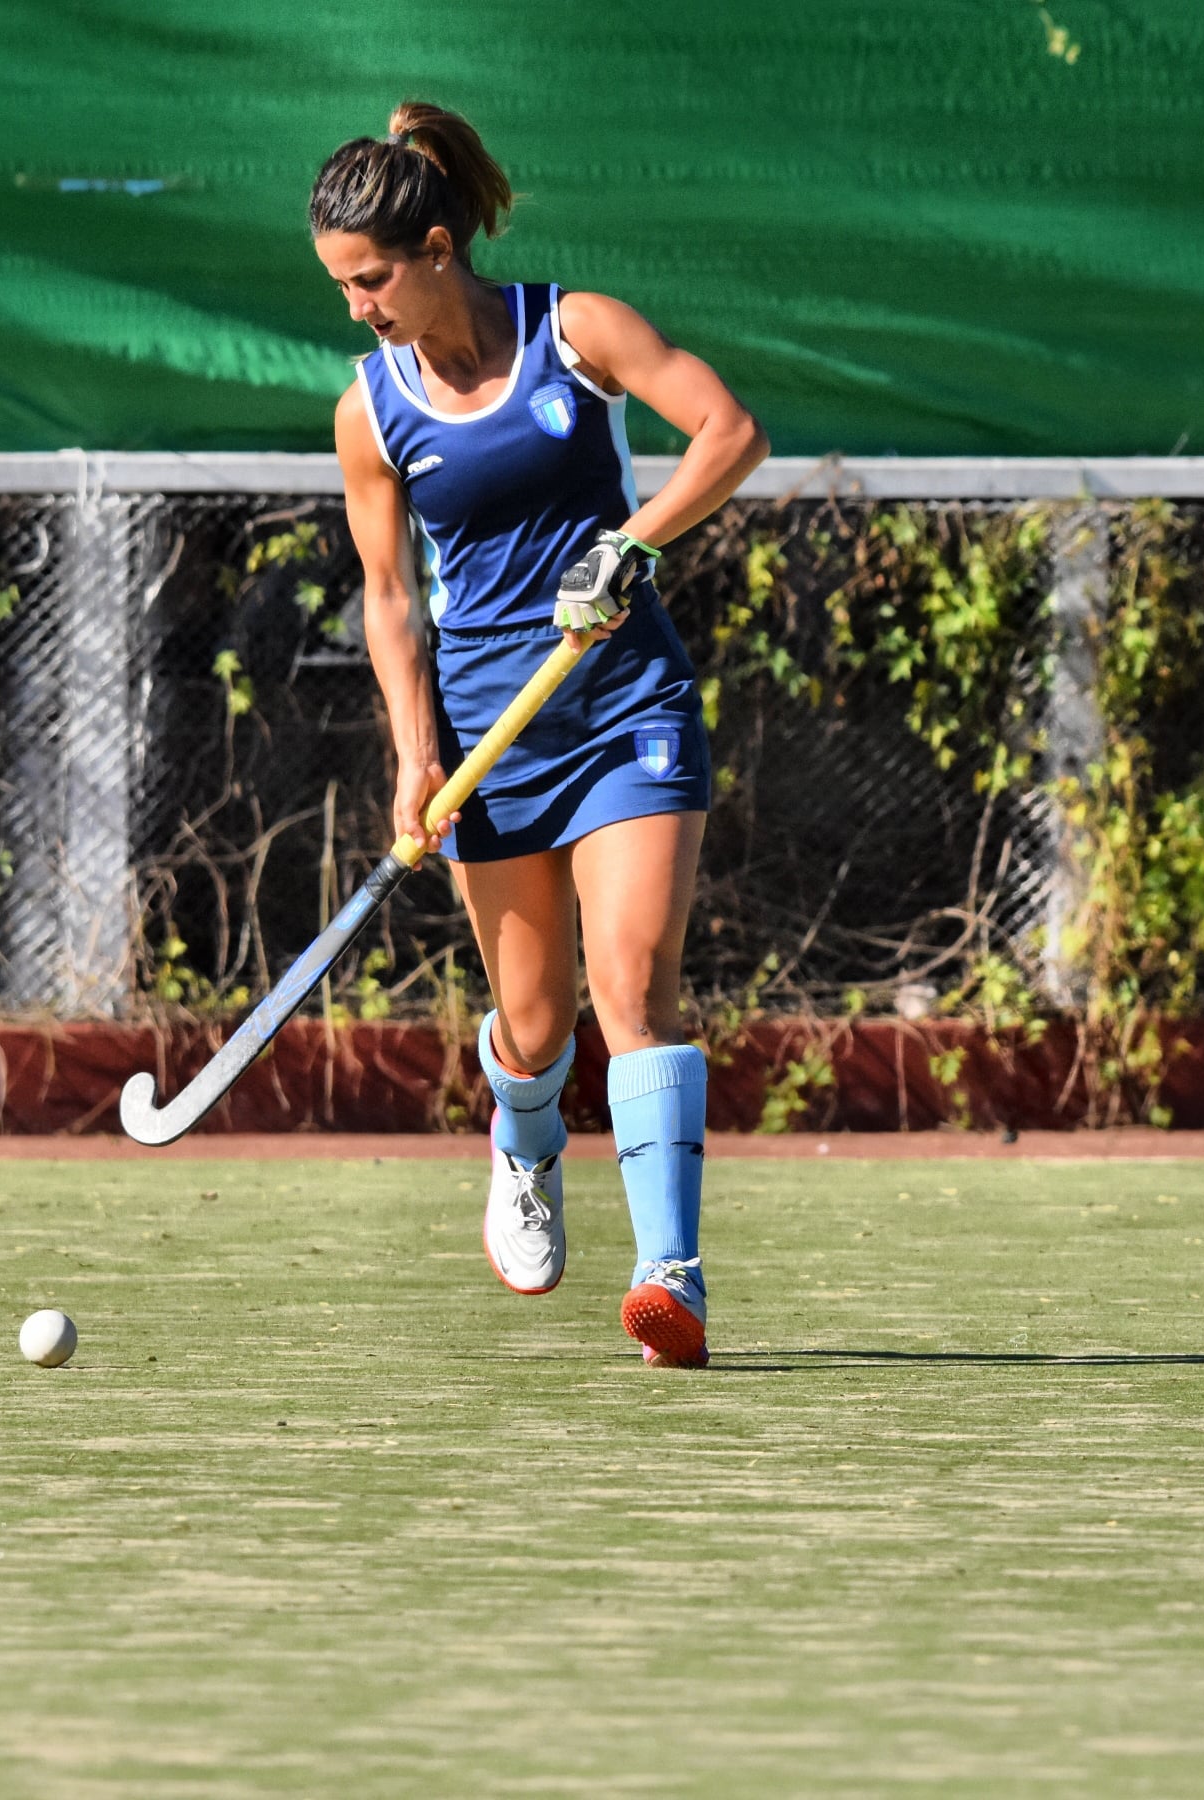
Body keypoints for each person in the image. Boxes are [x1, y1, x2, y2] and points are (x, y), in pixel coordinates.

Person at [310, 101, 768, 1367]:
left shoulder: (578, 333)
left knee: (635, 987)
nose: (358, 307)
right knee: (538, 1023)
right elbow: (389, 598)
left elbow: (730, 434)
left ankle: (672, 1278)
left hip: (626, 708)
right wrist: (414, 756)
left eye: (371, 279)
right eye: (341, 286)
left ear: (437, 248)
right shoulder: (370, 410)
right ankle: (524, 1136)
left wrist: (632, 544)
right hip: (489, 736)